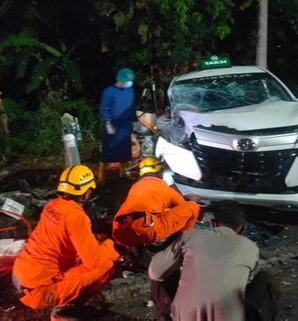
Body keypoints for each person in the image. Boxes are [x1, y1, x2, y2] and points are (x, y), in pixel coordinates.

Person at [12, 165, 120, 317]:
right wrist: (111, 246)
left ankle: (66, 299)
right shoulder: (76, 217)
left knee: (83, 260)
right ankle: (65, 310)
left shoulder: (53, 205)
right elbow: (94, 261)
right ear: (85, 193)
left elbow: (61, 239)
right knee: (106, 265)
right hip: (38, 291)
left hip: (21, 276)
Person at [148, 201, 261, 321]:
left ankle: (166, 317)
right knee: (261, 281)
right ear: (243, 227)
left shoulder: (191, 236)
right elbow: (249, 280)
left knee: (162, 272)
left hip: (185, 317)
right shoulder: (251, 247)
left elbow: (155, 272)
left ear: (212, 223)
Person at [112, 156, 201, 250]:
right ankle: (182, 243)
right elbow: (183, 206)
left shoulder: (136, 186)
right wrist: (192, 200)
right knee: (193, 207)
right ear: (160, 171)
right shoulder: (163, 186)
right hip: (146, 230)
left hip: (119, 232)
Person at [98, 67, 137, 184]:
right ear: (120, 80)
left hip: (125, 126)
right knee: (107, 151)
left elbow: (131, 107)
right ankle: (101, 177)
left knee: (125, 152)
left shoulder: (130, 91)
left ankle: (123, 173)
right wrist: (107, 122)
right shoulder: (109, 91)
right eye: (128, 81)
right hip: (112, 126)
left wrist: (133, 124)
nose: (130, 83)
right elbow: (104, 108)